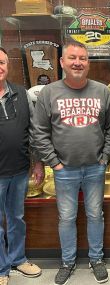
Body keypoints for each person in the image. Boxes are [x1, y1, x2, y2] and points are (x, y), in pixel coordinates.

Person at [33, 42, 110, 285]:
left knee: (95, 215)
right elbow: (39, 131)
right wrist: (54, 163)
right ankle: (67, 262)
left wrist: (104, 158)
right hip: (64, 170)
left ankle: (96, 259)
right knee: (66, 218)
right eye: (72, 58)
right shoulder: (49, 93)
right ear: (62, 62)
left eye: (82, 58)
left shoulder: (103, 92)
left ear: (88, 63)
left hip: (95, 167)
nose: (77, 62)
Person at [0, 47, 44, 285]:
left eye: (2, 62)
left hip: (19, 170)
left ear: (8, 66)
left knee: (16, 217)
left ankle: (18, 259)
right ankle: (1, 267)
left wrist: (37, 163)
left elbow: (34, 132)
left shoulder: (21, 94)